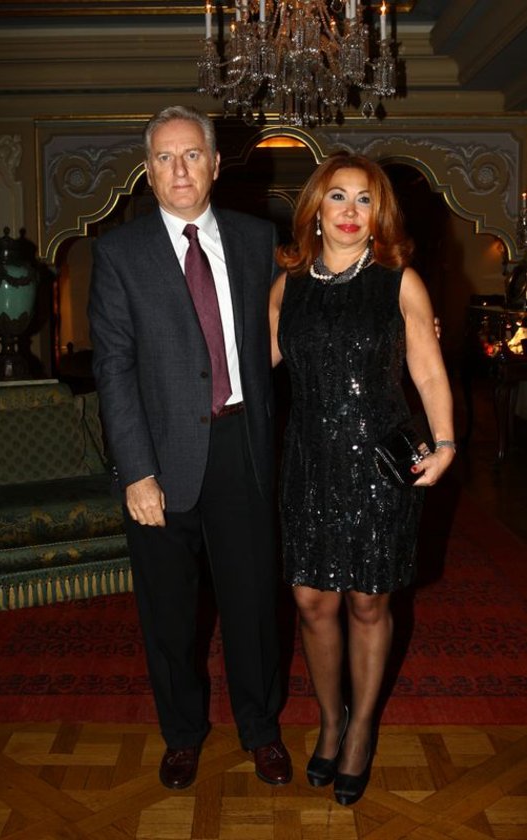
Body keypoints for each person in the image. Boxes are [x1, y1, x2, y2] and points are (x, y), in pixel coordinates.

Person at [88, 105, 291, 790]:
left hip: (243, 447)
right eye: (165, 158)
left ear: (214, 163)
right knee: (169, 612)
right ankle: (181, 735)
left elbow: (282, 333)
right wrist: (135, 471)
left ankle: (260, 730)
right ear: (148, 172)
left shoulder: (257, 239)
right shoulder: (119, 253)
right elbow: (113, 368)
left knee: (253, 605)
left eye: (192, 154)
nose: (179, 169)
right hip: (159, 458)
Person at [269, 152, 455, 805]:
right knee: (310, 601)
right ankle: (330, 719)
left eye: (365, 199)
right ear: (315, 211)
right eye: (338, 197)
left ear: (380, 214)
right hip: (307, 463)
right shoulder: (286, 286)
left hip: (379, 462)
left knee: (368, 601)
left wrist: (445, 442)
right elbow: (249, 363)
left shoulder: (399, 281)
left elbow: (427, 369)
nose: (351, 211)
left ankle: (360, 731)